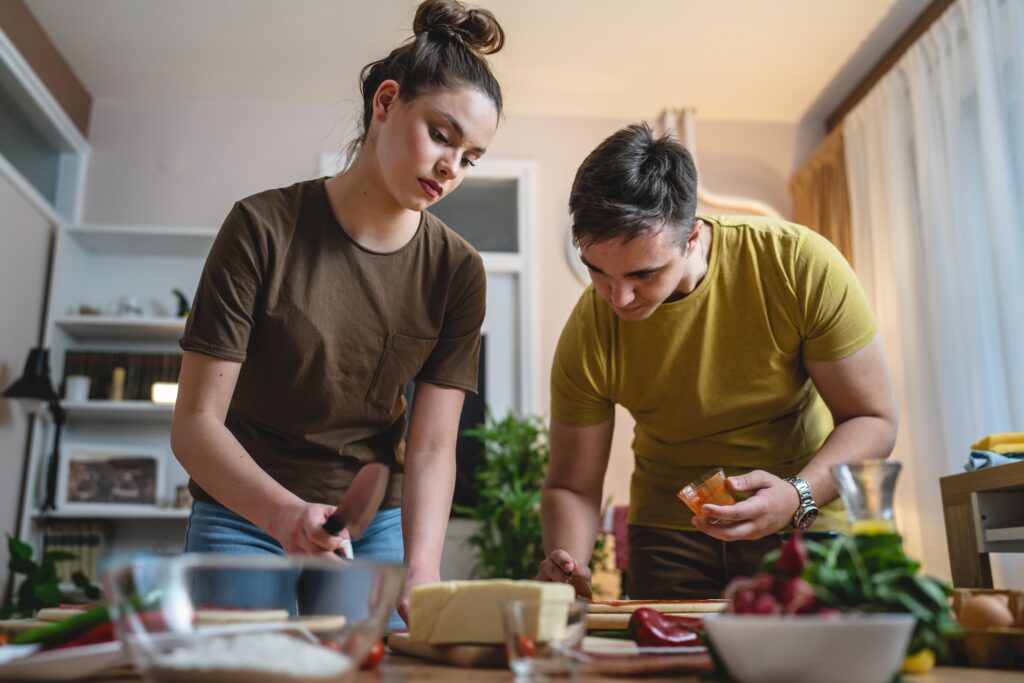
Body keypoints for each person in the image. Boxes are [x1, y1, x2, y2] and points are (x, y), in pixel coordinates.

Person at [170, 0, 504, 624]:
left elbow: (432, 446)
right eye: (441, 135)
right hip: (241, 510)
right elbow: (194, 423)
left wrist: (422, 568)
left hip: (373, 525)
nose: (451, 169)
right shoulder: (260, 228)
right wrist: (282, 515)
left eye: (471, 157)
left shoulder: (458, 272)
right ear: (385, 102)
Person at [536, 124, 898, 600]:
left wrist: (795, 496)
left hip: (806, 523)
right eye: (597, 271)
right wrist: (570, 568)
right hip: (669, 540)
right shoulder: (589, 329)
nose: (618, 298)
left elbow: (872, 419)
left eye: (644, 273)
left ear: (692, 238)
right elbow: (573, 485)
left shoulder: (797, 264)